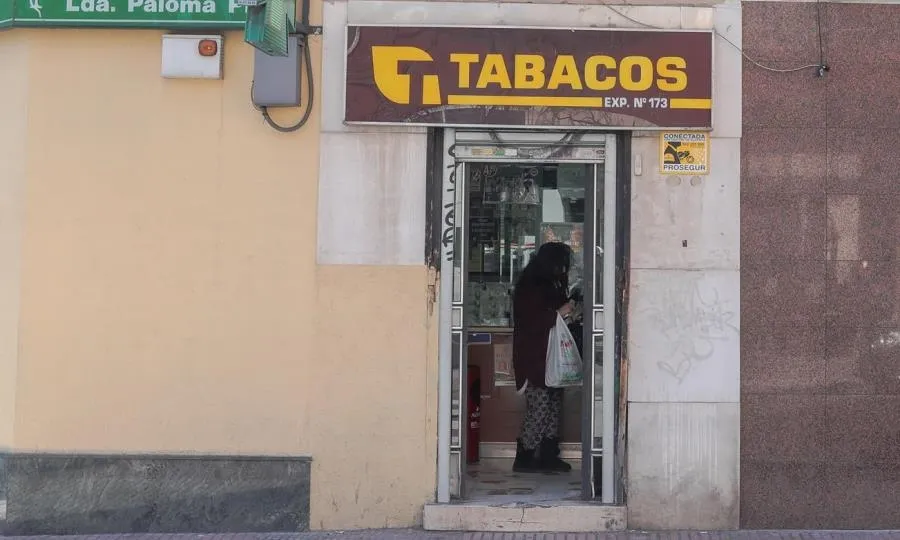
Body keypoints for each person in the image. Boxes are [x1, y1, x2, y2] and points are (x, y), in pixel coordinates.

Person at [511, 241, 575, 473]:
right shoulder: (531, 287)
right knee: (539, 407)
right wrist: (560, 312)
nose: (563, 269)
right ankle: (525, 456)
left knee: (553, 406)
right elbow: (532, 322)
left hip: (551, 356)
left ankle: (548, 454)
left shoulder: (549, 283)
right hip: (535, 357)